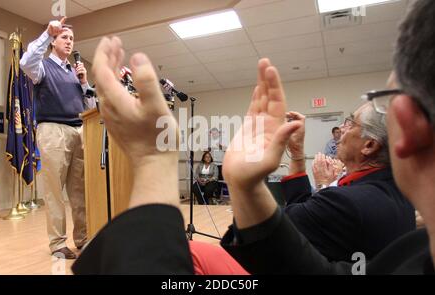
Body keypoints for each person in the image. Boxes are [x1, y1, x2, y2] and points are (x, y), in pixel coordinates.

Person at [73, 0, 434, 275]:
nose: (341, 130)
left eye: (355, 120)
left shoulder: (357, 205)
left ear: (404, 123)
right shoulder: (416, 244)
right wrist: (248, 185)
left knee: (189, 254)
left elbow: (297, 220)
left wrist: (153, 163)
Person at [279, 104, 414, 262]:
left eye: (351, 123)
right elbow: (305, 218)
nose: (342, 128)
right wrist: (296, 151)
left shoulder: (345, 201)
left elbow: (283, 228)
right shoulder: (399, 190)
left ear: (369, 145)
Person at [20, 17, 95, 259]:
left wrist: (84, 83)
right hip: (53, 131)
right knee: (54, 191)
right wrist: (46, 33)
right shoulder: (42, 67)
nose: (69, 42)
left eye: (72, 38)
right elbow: (25, 62)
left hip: (78, 131)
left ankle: (82, 239)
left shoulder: (75, 74)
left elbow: (91, 105)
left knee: (79, 191)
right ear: (53, 42)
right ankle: (57, 244)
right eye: (64, 37)